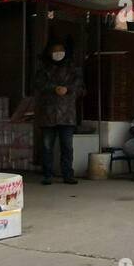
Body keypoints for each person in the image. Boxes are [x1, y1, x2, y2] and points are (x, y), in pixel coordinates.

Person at [33, 40, 84, 185]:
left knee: (67, 147)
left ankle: (68, 174)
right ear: (50, 53)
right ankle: (47, 175)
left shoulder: (73, 69)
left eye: (60, 50)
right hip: (48, 113)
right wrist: (53, 88)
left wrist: (68, 89)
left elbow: (80, 88)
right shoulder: (43, 68)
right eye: (55, 51)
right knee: (47, 146)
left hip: (67, 114)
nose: (58, 54)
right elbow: (38, 84)